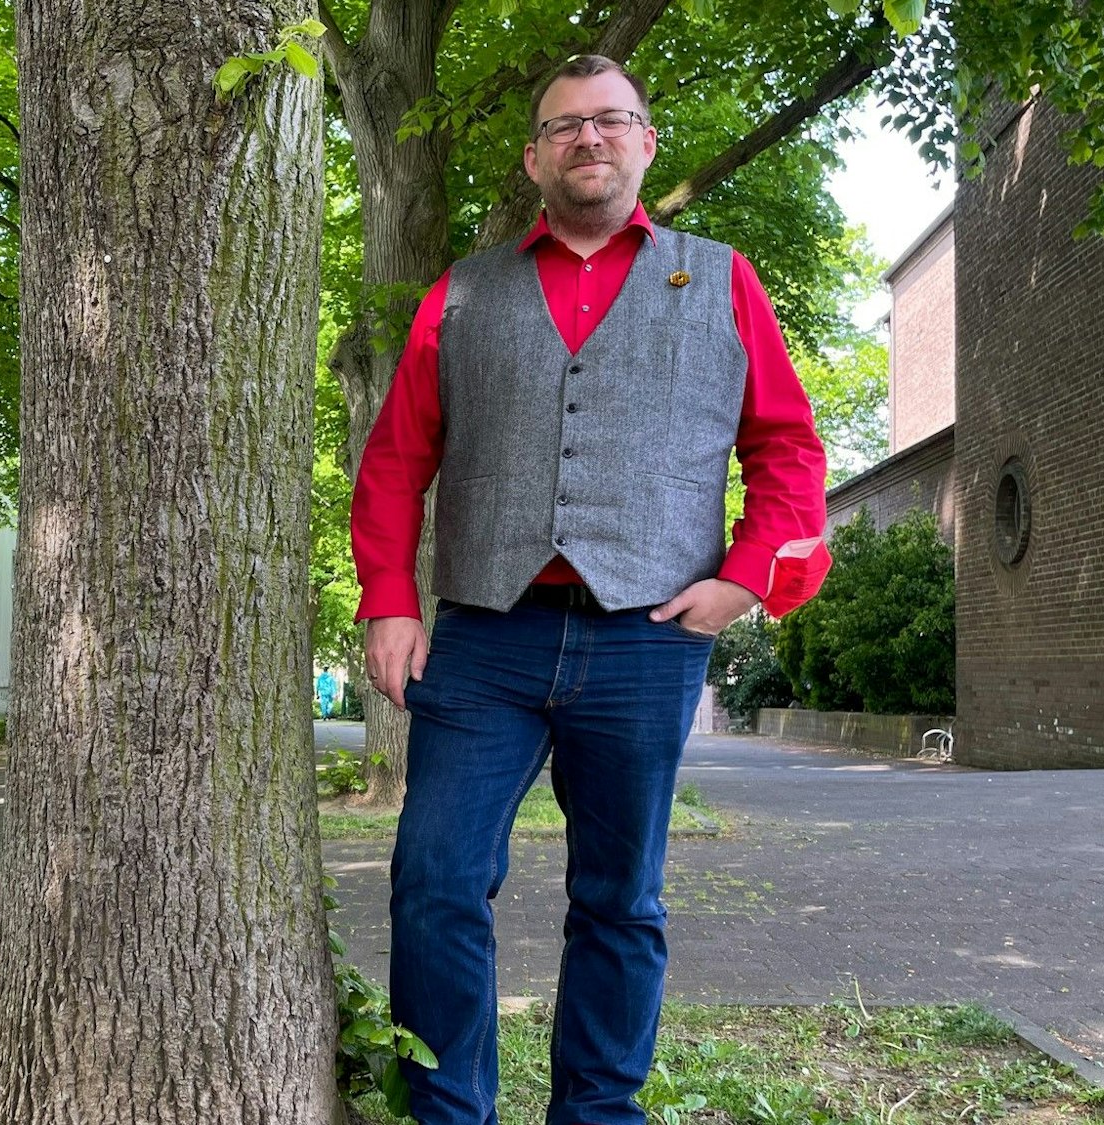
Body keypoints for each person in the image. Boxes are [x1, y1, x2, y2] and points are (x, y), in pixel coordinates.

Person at [348, 53, 832, 1125]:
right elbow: (394, 459)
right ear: (534, 158)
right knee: (433, 881)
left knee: (618, 899)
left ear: (645, 143)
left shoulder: (720, 279)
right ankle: (445, 1112)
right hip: (482, 637)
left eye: (611, 121)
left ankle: (597, 1115)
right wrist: (387, 595)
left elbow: (788, 451)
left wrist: (746, 581)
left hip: (645, 638)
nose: (588, 139)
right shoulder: (461, 293)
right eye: (564, 126)